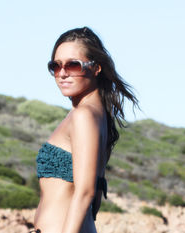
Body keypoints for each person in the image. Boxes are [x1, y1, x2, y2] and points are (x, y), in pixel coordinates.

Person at [31, 27, 139, 233]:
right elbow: (96, 196)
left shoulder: (84, 116)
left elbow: (86, 193)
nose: (62, 73)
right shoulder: (97, 115)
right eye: (56, 66)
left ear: (96, 68)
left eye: (73, 65)